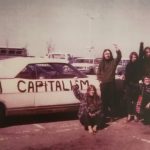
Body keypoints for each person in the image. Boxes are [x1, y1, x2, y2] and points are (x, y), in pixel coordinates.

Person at [97, 44, 122, 122]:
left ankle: (113, 116)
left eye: (108, 53)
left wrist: (117, 48)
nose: (107, 55)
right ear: (103, 55)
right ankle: (104, 116)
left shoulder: (113, 62)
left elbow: (119, 57)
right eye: (106, 54)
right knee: (104, 101)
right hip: (103, 84)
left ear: (110, 54)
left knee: (112, 101)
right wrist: (100, 80)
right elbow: (98, 73)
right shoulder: (101, 63)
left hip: (111, 84)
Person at [124, 52, 141, 122]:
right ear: (130, 58)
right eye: (133, 57)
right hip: (129, 85)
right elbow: (126, 76)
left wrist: (138, 82)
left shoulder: (139, 66)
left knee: (135, 100)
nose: (134, 58)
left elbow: (140, 75)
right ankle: (129, 114)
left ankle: (135, 115)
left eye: (135, 57)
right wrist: (130, 84)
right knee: (129, 100)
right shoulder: (128, 65)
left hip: (136, 85)